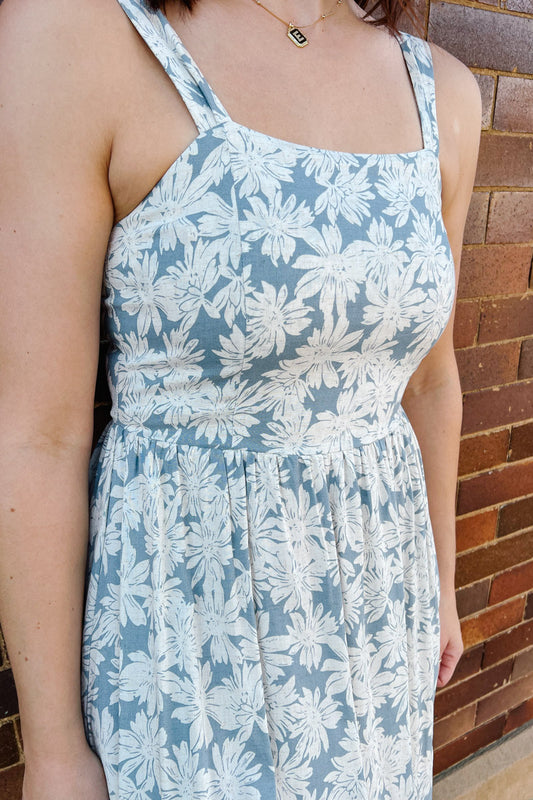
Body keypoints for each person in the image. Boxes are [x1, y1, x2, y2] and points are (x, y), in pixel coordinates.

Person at [0, 0, 481, 797]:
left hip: (377, 610)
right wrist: (53, 749)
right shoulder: (77, 36)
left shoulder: (443, 90)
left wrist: (439, 587)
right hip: (190, 628)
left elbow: (429, 381)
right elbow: (36, 435)